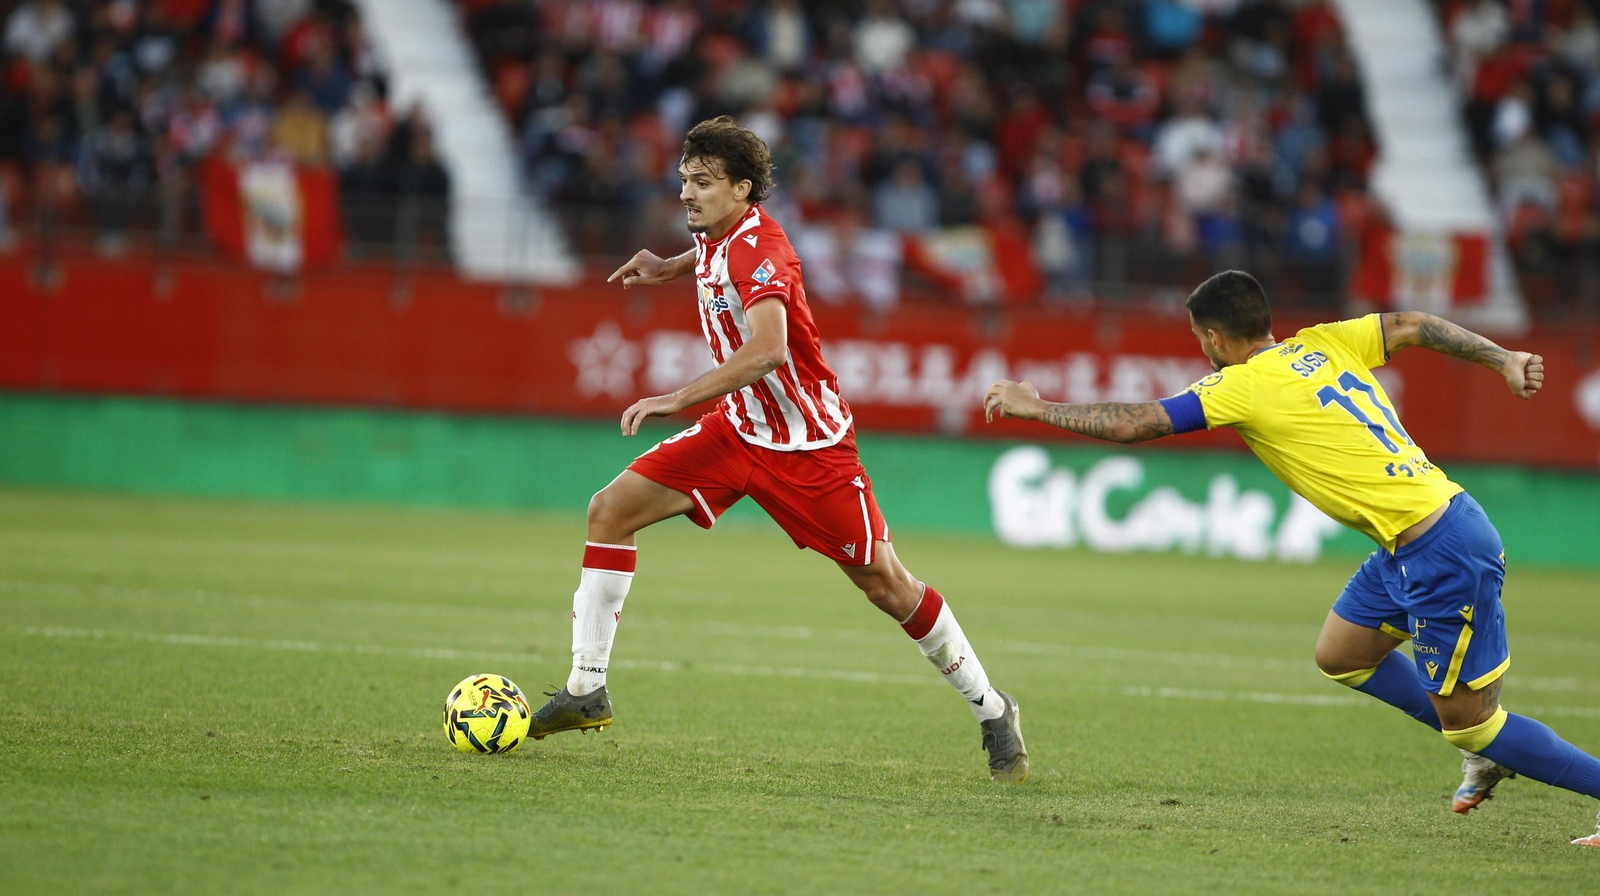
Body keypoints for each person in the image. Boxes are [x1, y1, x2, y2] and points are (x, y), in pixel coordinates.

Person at [983, 269, 1600, 843]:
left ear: (1216, 337)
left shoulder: (1243, 384)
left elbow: (1136, 423)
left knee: (1474, 721)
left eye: (1201, 339)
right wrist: (1503, 358)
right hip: (1413, 536)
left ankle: (1509, 754)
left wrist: (1035, 407)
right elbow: (1413, 325)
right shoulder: (1327, 342)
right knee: (1344, 653)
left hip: (1439, 548)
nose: (1203, 350)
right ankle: (1483, 747)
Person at [530, 116, 1028, 782]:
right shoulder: (714, 236)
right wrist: (666, 265)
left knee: (887, 585)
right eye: (683, 179)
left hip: (808, 449)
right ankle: (586, 689)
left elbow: (768, 350)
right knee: (609, 511)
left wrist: (677, 398)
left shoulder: (760, 249)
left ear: (742, 189)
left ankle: (993, 709)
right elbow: (713, 264)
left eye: (702, 182)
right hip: (737, 432)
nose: (686, 193)